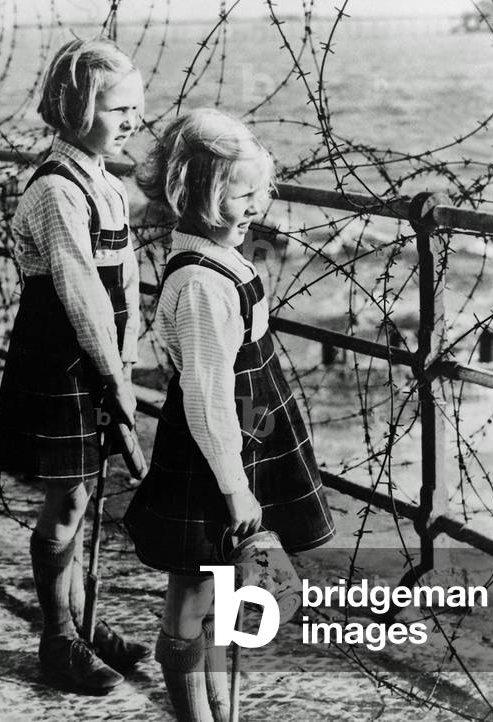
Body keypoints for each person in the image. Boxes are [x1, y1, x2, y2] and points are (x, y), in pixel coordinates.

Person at [124, 108, 335, 720]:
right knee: (191, 591)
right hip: (212, 454)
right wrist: (238, 488)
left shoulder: (225, 263)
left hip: (241, 440)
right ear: (199, 196)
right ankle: (195, 710)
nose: (256, 206)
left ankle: (221, 703)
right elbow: (208, 396)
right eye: (242, 194)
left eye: (258, 192)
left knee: (221, 581)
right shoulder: (201, 285)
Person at [0, 37, 148, 694]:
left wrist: (128, 361)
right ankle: (58, 639)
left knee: (84, 497)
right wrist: (112, 381)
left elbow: (128, 284)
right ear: (78, 108)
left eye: (137, 108)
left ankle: (83, 619)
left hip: (100, 356)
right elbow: (79, 288)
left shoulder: (106, 184)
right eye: (118, 109)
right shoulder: (57, 190)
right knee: (67, 502)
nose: (132, 121)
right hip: (61, 358)